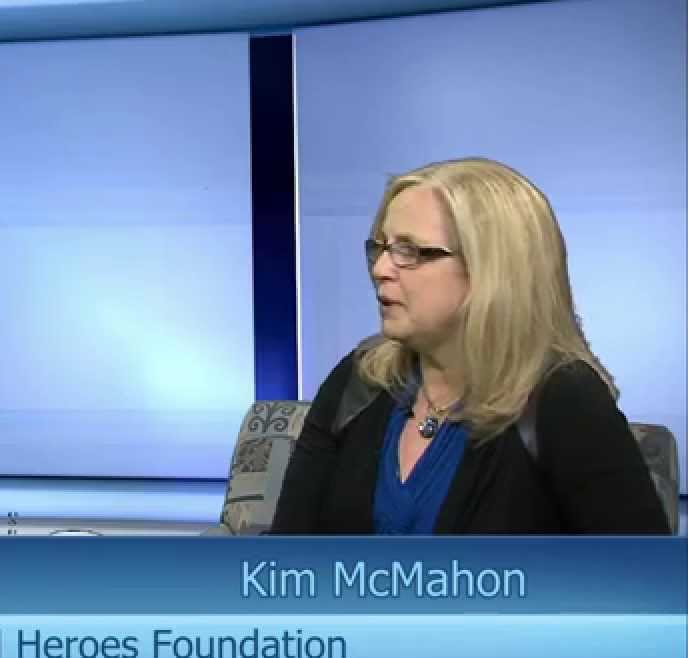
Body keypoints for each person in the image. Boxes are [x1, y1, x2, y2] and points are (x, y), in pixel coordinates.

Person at [271, 158, 669, 534]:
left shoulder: (565, 399)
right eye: (381, 247)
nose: (380, 269)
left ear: (491, 270)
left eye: (410, 251)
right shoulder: (360, 380)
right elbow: (286, 557)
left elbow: (637, 576)